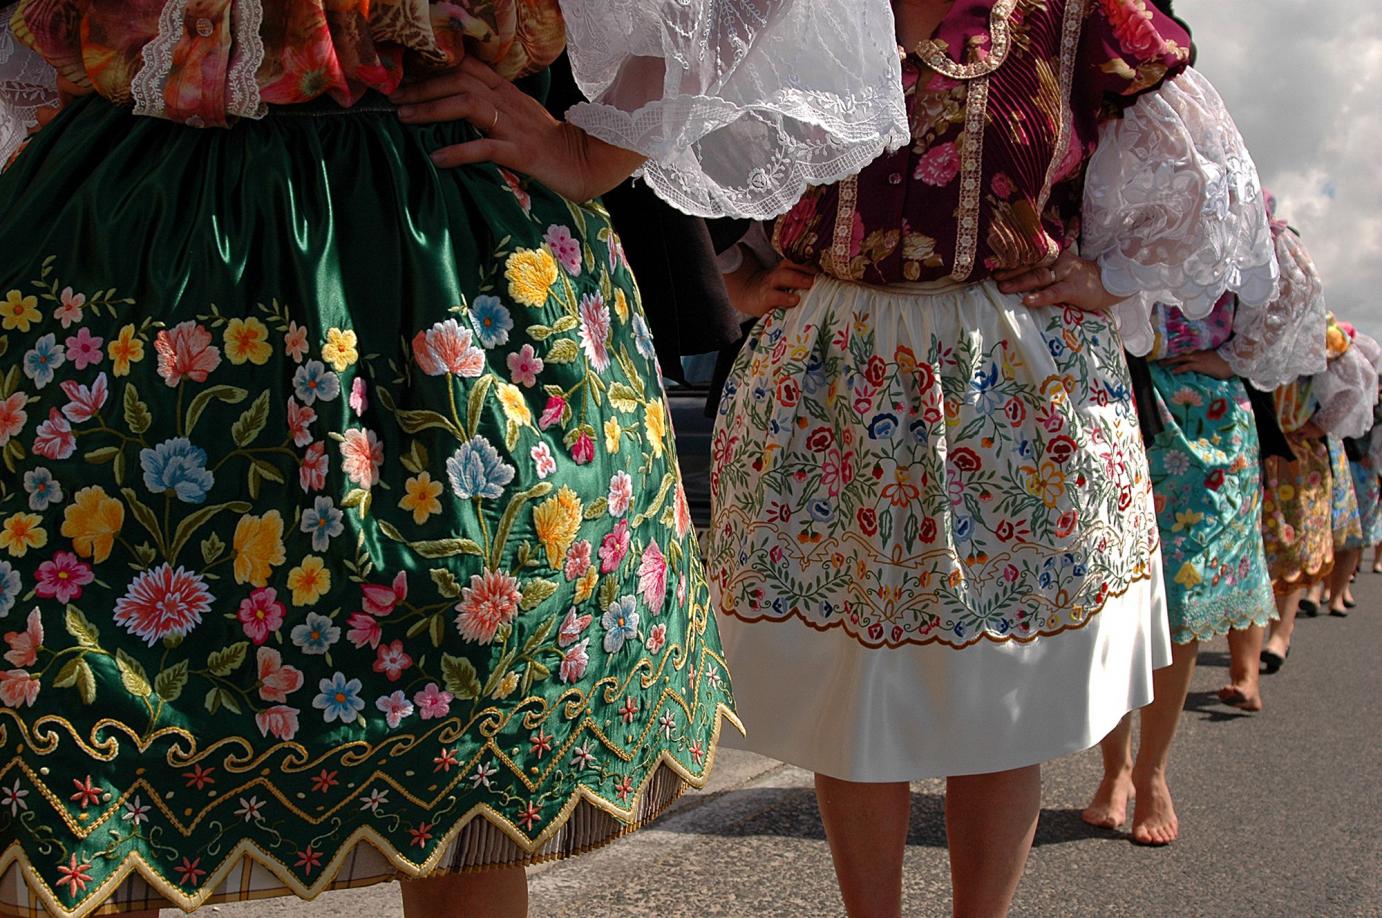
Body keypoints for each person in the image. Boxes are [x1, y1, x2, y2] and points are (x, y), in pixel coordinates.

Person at [0, 2, 909, 916]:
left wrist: (599, 147)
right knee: (88, 731)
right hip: (126, 256)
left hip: (425, 263)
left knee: (462, 741)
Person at [706, 0, 1278, 913]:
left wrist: (1114, 278)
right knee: (853, 694)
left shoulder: (1076, 12)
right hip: (834, 366)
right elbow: (663, 124)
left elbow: (1213, 192)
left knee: (1004, 693)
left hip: (1010, 374)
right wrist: (730, 277)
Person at [1261, 314, 1378, 673]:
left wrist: (1316, 426)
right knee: (1256, 547)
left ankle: (1281, 634)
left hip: (1299, 453)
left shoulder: (1316, 324)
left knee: (1295, 542)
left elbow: (1357, 383)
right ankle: (1249, 649)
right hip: (1252, 443)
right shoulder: (1242, 311)